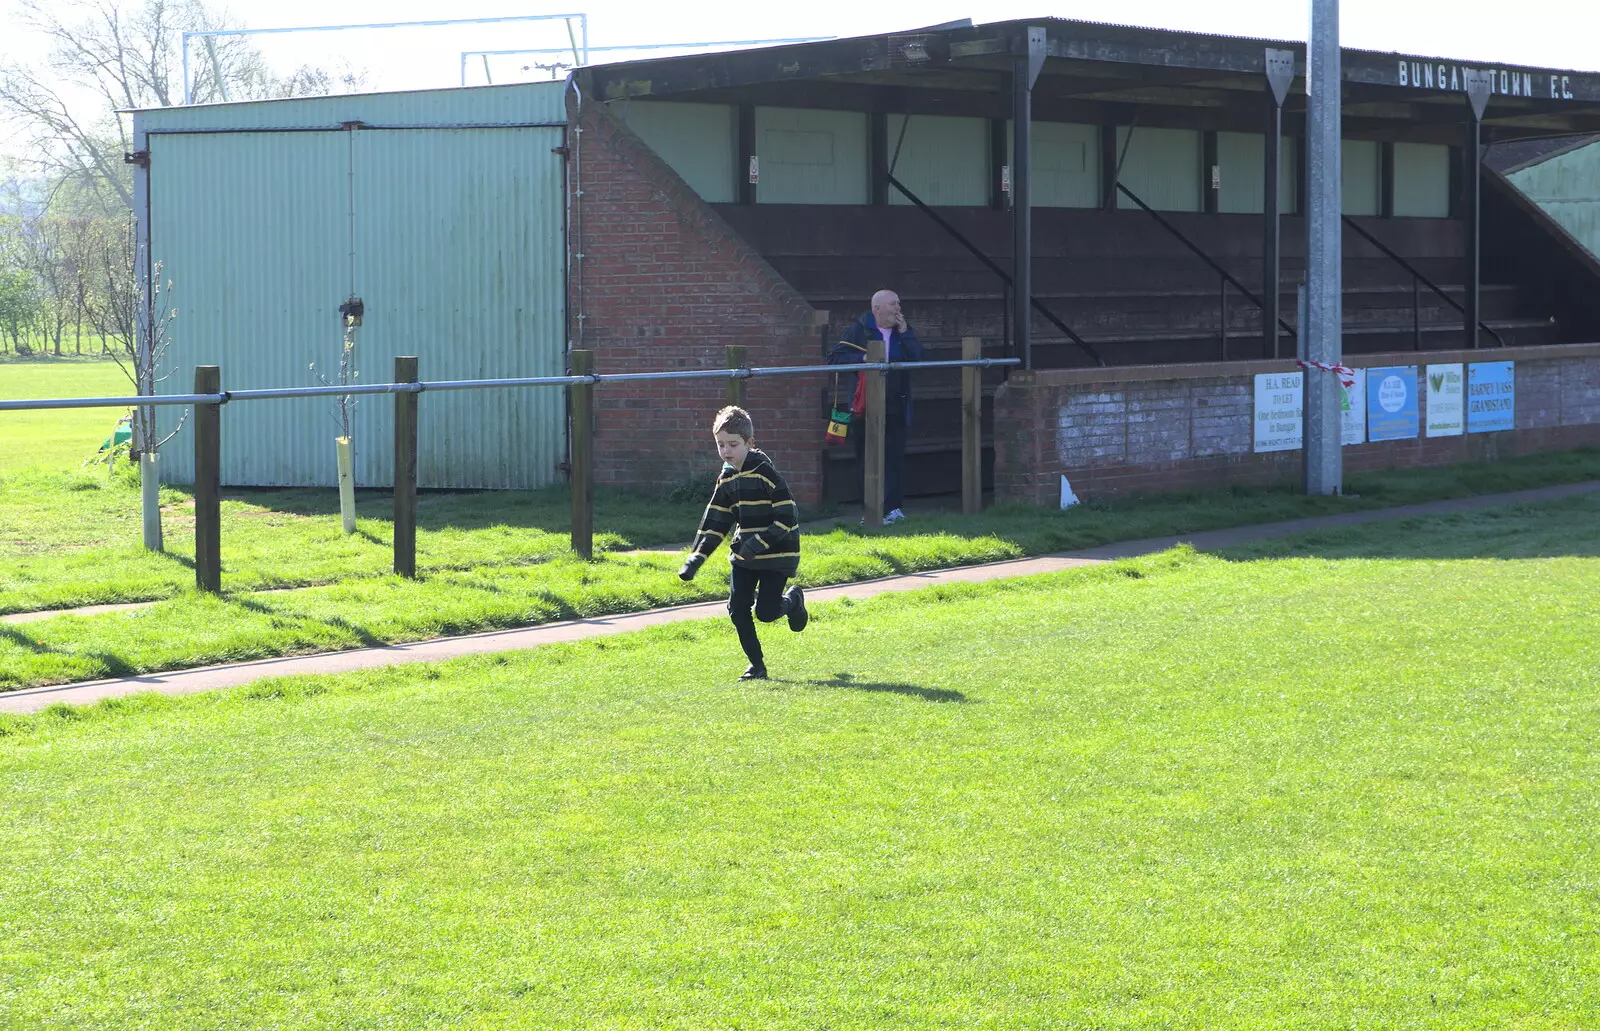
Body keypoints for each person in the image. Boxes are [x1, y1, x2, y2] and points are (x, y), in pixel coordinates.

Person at [678, 405, 808, 681]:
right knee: (737, 608)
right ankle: (757, 667)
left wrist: (756, 544)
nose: (726, 451)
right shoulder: (726, 478)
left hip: (777, 555)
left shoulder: (766, 474)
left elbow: (787, 517)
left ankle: (793, 601)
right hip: (744, 556)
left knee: (767, 613)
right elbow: (716, 521)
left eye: (733, 445)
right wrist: (695, 559)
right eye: (721, 445)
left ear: (750, 442)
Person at [827, 289, 923, 524]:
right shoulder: (860, 329)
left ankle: (893, 509)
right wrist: (862, 359)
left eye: (899, 304)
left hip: (896, 403)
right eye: (893, 304)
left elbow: (919, 359)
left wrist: (906, 334)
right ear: (876, 309)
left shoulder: (903, 331)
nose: (898, 309)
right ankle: (869, 511)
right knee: (865, 459)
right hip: (865, 406)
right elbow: (834, 358)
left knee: (894, 458)